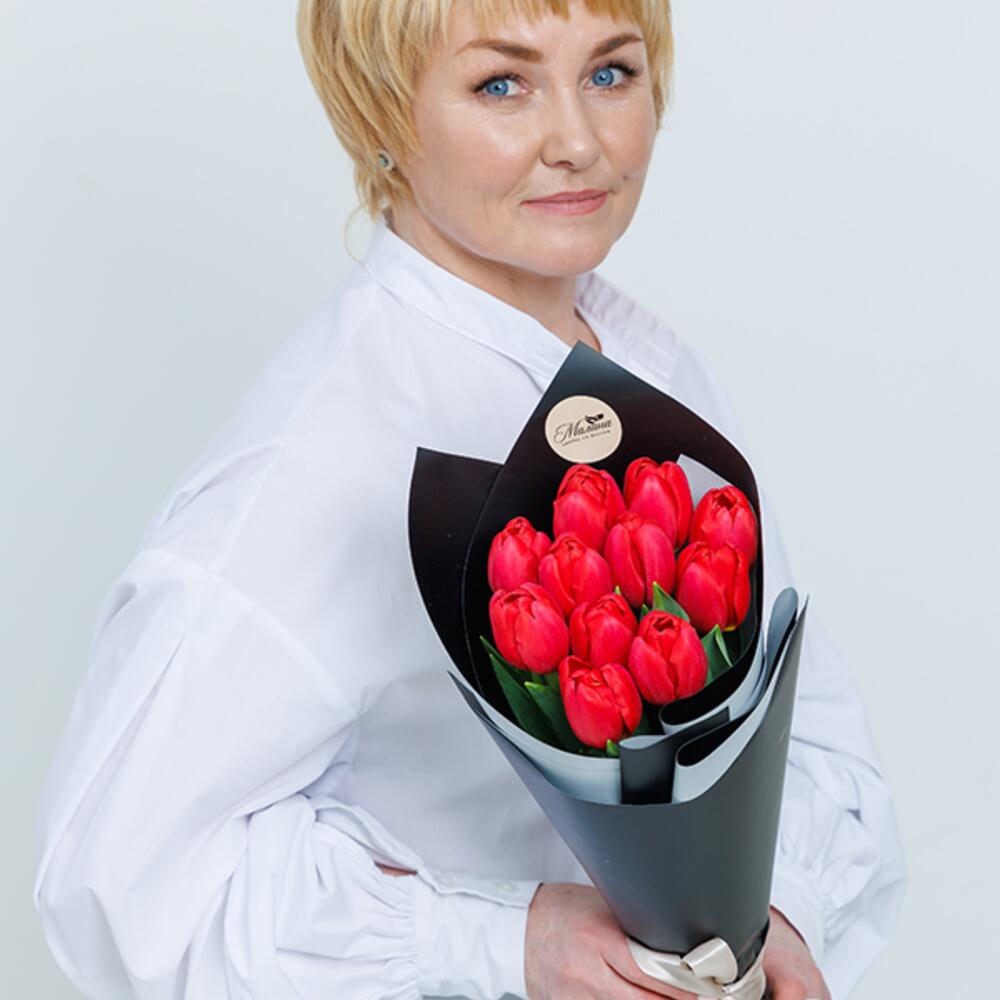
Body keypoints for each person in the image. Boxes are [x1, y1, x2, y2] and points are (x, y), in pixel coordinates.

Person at [32, 1, 907, 999]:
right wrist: (501, 941)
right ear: (381, 112)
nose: (577, 140)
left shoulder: (655, 378)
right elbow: (120, 883)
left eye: (611, 72)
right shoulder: (316, 463)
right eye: (503, 84)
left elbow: (809, 736)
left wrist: (776, 909)